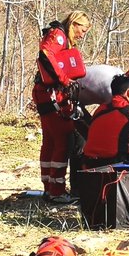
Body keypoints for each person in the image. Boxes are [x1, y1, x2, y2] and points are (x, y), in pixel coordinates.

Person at [32, 11, 91, 203]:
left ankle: (49, 187)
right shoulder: (58, 36)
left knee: (50, 140)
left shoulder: (62, 38)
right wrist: (65, 80)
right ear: (74, 24)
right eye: (82, 30)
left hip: (45, 93)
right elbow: (45, 53)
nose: (82, 35)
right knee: (62, 140)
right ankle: (56, 190)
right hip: (51, 95)